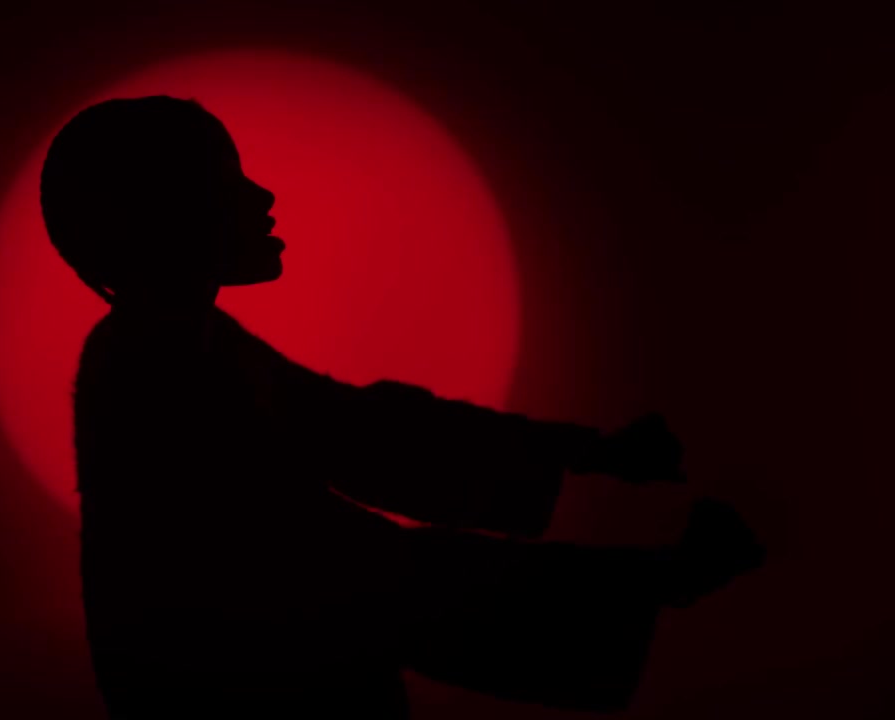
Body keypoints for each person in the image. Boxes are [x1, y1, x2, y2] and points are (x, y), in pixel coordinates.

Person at [39, 96, 764, 718]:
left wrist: (585, 452)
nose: (260, 197)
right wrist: (646, 579)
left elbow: (368, 435)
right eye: (224, 182)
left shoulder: (192, 349)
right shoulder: (157, 373)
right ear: (161, 216)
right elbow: (347, 551)